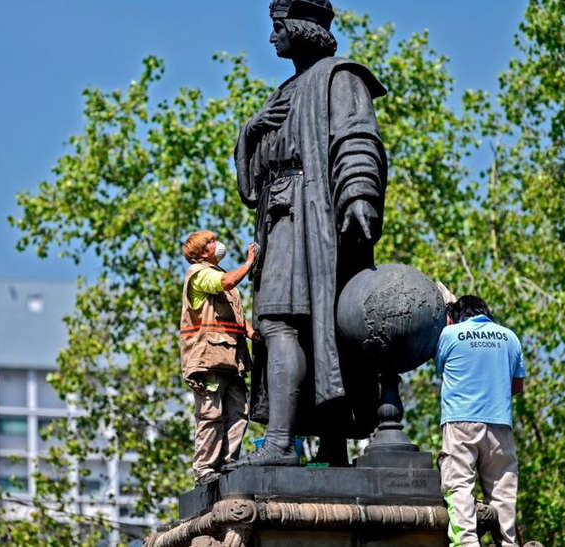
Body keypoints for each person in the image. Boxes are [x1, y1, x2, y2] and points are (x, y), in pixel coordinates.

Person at [232, 0, 387, 466]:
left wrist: (359, 195)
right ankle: (327, 446)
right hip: (282, 216)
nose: (272, 37)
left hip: (313, 217)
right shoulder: (284, 92)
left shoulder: (341, 77)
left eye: (278, 27)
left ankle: (283, 445)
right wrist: (251, 131)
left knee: (286, 322)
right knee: (301, 326)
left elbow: (358, 138)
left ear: (300, 28)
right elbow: (253, 179)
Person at [435, 295, 526, 546]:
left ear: (455, 316)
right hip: (499, 426)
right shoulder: (510, 337)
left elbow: (442, 368)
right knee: (503, 494)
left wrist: (449, 323)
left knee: (459, 488)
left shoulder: (450, 335)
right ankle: (508, 543)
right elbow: (516, 386)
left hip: (460, 423)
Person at [179, 230, 257, 486]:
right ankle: (204, 470)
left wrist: (250, 331)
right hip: (208, 360)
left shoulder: (217, 273)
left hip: (232, 361)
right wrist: (249, 263)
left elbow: (231, 314)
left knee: (239, 412)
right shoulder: (200, 274)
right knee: (211, 415)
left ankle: (228, 463)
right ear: (202, 252)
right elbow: (226, 283)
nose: (217, 244)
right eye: (211, 242)